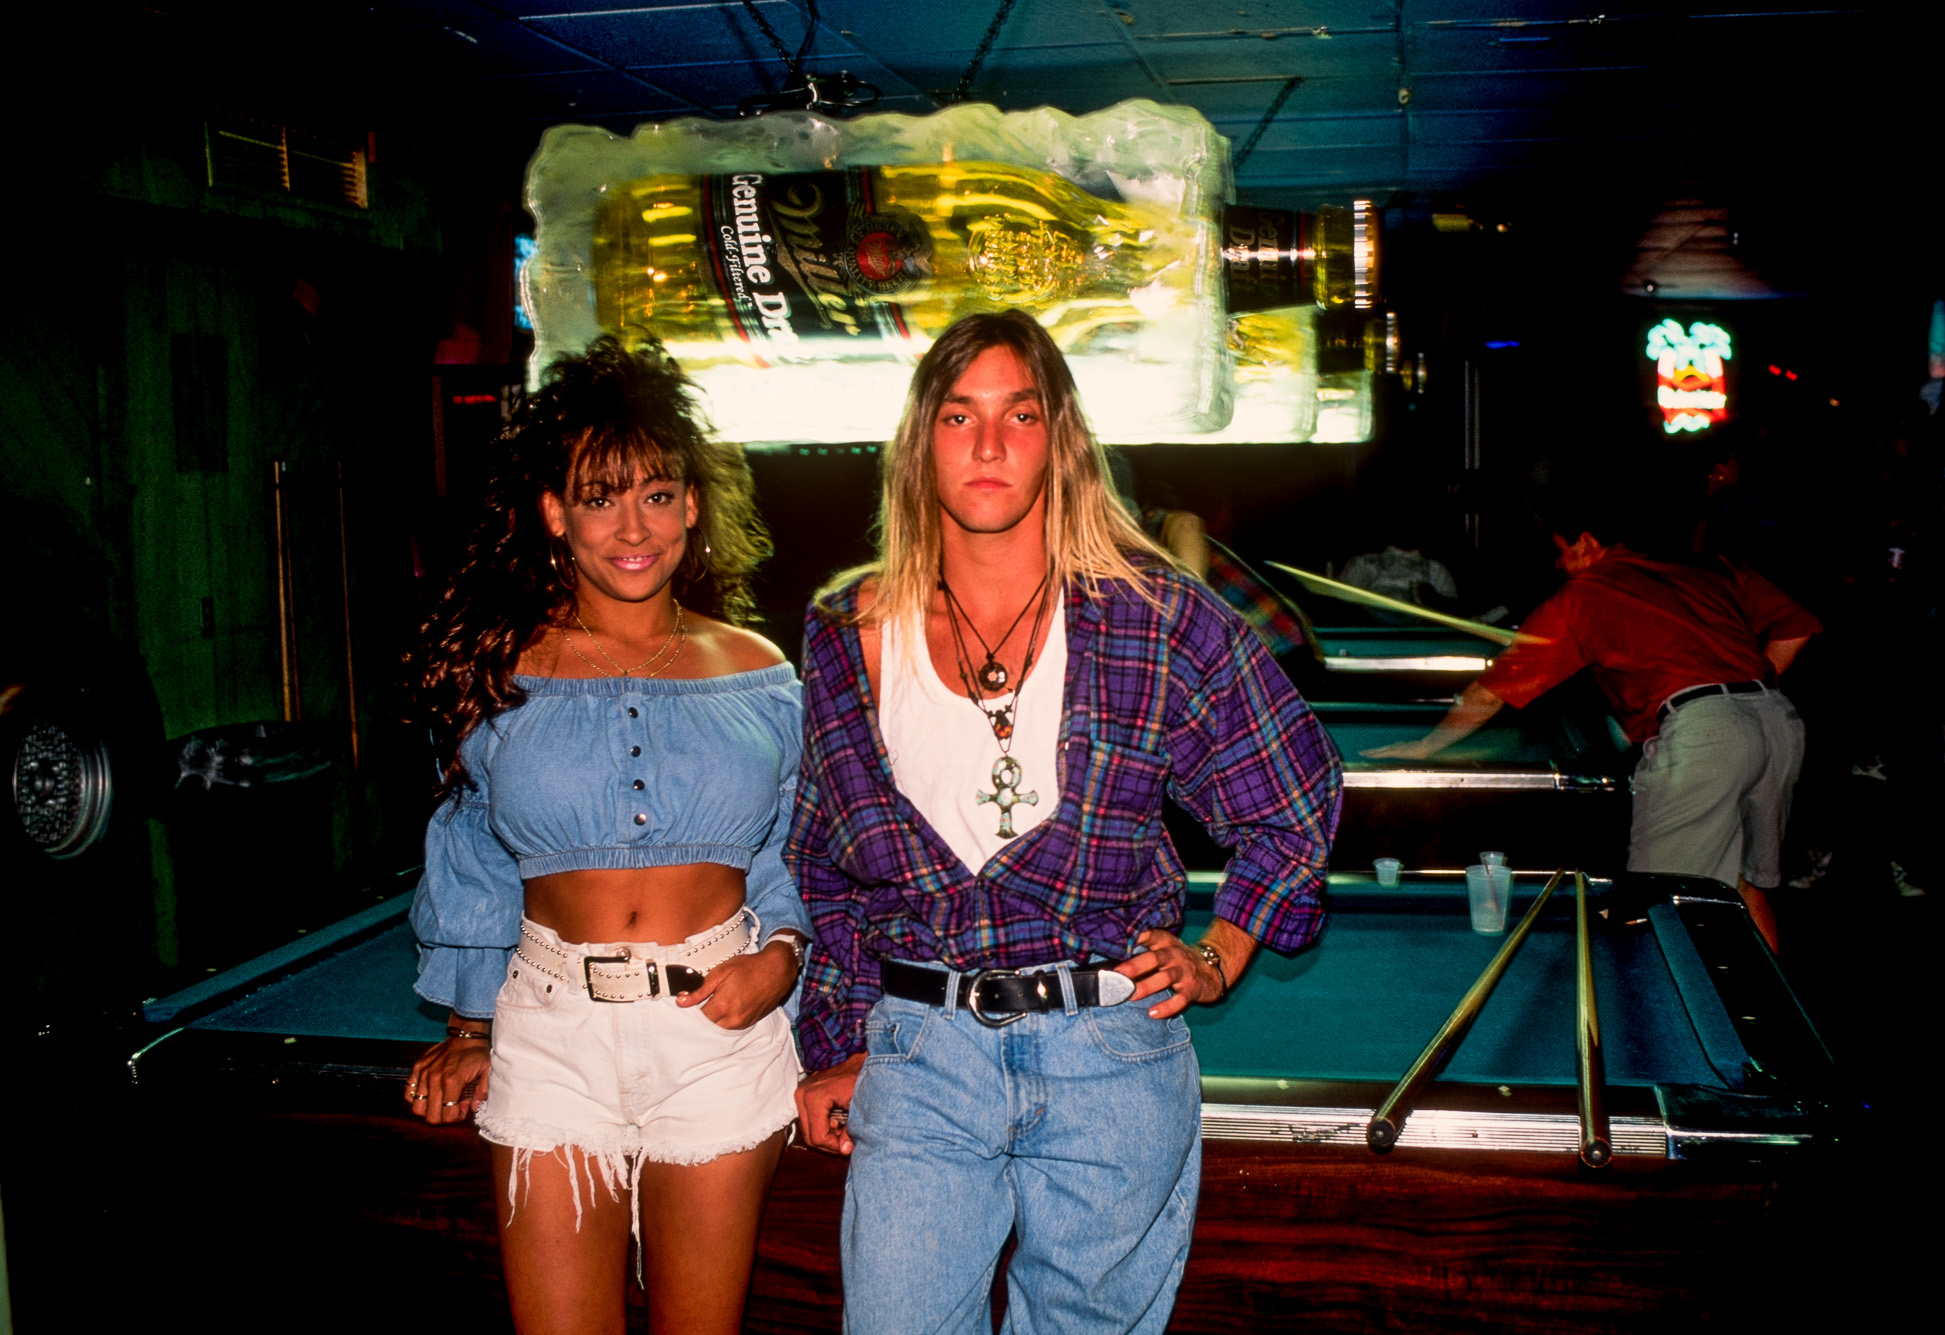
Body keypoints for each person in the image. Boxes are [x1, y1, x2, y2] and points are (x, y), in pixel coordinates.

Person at [785, 310, 1343, 1333]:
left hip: (1112, 1055)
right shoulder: (843, 635)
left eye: (1019, 414)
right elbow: (822, 872)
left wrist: (1219, 953)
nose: (989, 444)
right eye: (959, 416)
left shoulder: (1158, 617)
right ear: (920, 447)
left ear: (1061, 441)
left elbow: (1292, 802)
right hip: (920, 1055)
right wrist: (831, 1041)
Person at [403, 337, 811, 1335]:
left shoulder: (758, 671)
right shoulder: (499, 669)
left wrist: (783, 959)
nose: (635, 527)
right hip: (551, 1042)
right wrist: (468, 1031)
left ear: (693, 505)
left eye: (659, 493)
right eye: (600, 495)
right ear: (554, 512)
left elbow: (794, 852)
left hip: (719, 1037)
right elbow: (469, 856)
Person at [1364, 493, 1821, 951]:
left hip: (1707, 733)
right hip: (1777, 721)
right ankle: (1764, 1020)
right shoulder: (1706, 567)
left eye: (1561, 551)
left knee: (1652, 905)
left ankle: (1660, 1020)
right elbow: (1796, 627)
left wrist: (1428, 746)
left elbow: (1489, 693)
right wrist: (1740, 693)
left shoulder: (1586, 592)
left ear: (1585, 543)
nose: (1560, 564)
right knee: (1743, 887)